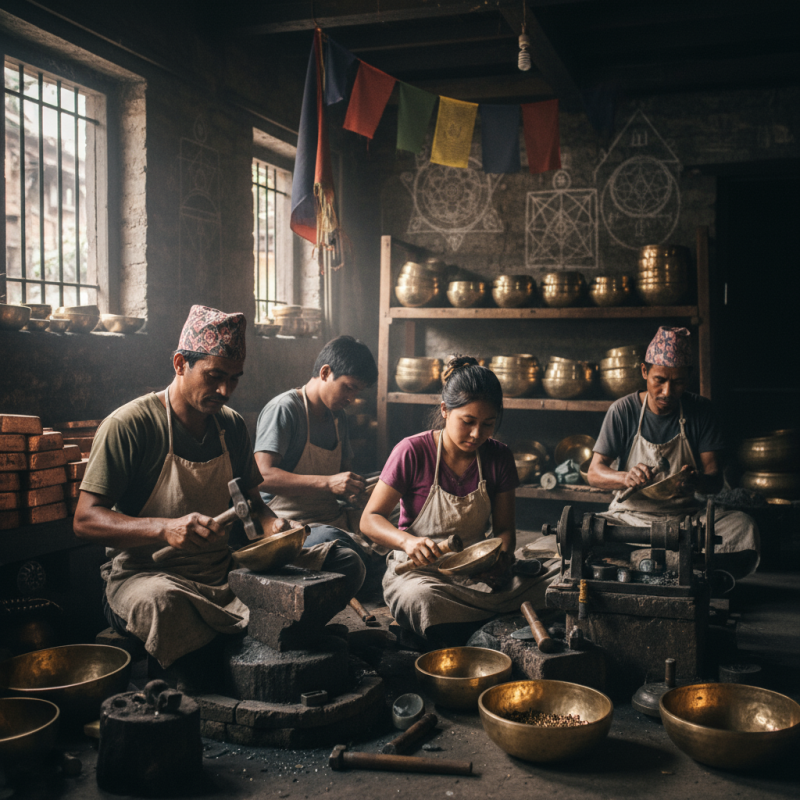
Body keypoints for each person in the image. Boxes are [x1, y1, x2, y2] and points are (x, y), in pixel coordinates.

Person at [74, 306, 365, 685]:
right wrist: (164, 529)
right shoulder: (129, 426)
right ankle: (220, 665)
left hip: (224, 571)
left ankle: (239, 652)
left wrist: (275, 526)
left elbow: (254, 504)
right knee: (163, 603)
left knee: (343, 561)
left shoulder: (231, 427)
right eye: (214, 377)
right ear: (180, 363)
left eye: (234, 379)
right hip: (149, 574)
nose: (225, 391)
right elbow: (84, 519)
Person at [360, 356, 559, 649]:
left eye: (488, 424)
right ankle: (494, 627)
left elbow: (505, 530)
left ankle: (465, 630)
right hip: (423, 575)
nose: (477, 434)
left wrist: (500, 561)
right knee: (420, 600)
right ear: (445, 410)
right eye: (468, 422)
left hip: (477, 574)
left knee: (560, 577)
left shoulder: (499, 456)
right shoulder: (412, 451)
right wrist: (407, 543)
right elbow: (369, 520)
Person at [587, 326, 760, 579]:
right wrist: (624, 477)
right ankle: (681, 566)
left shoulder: (701, 411)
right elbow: (594, 473)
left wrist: (696, 482)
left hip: (685, 522)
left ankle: (640, 563)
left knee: (744, 527)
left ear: (688, 378)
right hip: (630, 520)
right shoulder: (622, 410)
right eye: (660, 380)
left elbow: (714, 481)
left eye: (678, 382)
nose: (667, 392)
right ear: (645, 371)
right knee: (586, 530)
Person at [255, 335, 387, 594]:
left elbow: (343, 479)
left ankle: (369, 568)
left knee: (397, 521)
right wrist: (328, 483)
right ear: (325, 372)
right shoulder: (285, 408)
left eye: (358, 391)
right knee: (342, 548)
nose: (352, 398)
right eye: (348, 387)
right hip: (288, 522)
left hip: (330, 516)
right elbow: (261, 475)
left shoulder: (339, 418)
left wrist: (358, 493)